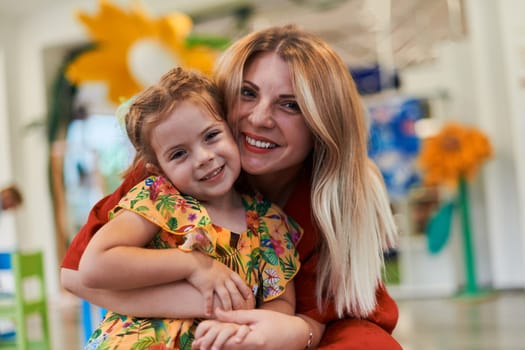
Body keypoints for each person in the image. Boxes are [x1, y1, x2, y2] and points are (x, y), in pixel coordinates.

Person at [61, 24, 401, 349]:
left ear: (321, 121)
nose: (259, 118)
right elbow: (78, 274)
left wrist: (280, 330)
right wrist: (201, 292)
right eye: (248, 93)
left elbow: (306, 311)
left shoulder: (295, 215)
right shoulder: (166, 180)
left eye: (290, 104)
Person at [79, 67, 301, 349]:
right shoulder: (161, 199)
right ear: (159, 169)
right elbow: (94, 266)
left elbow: (280, 302)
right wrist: (194, 265)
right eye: (179, 154)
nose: (203, 158)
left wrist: (245, 332)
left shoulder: (270, 223)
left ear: (232, 130)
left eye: (211, 136)